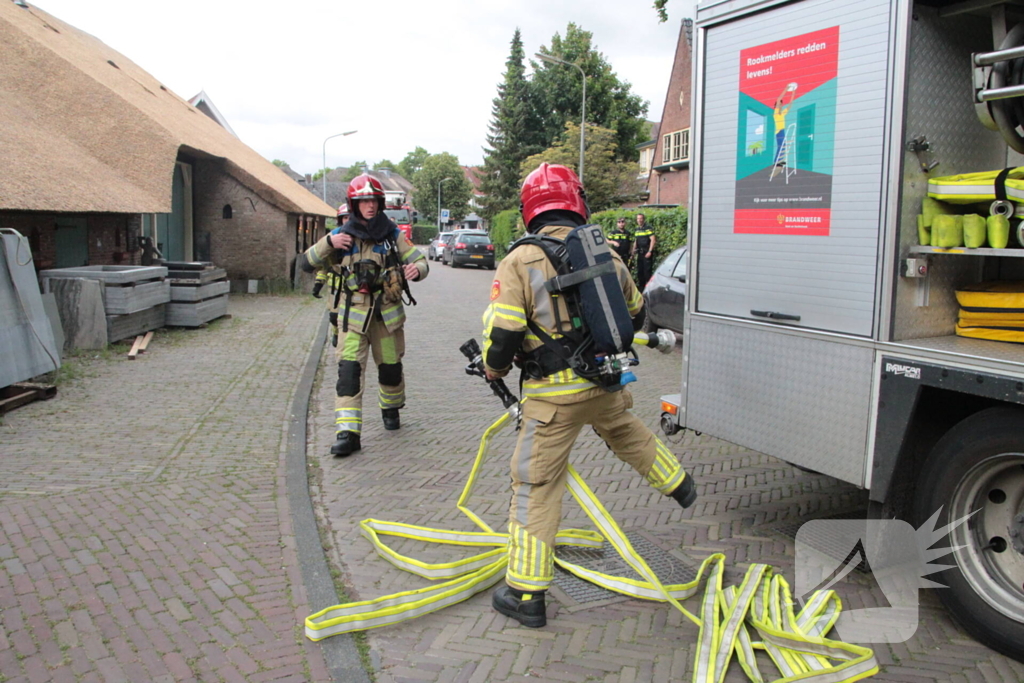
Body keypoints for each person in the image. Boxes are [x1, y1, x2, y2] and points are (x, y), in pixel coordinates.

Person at [481, 163, 698, 628]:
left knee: (535, 486)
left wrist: (494, 368)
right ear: (577, 202)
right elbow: (635, 316)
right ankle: (679, 483)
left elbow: (504, 332)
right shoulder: (608, 256)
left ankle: (526, 593)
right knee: (626, 432)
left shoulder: (519, 260)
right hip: (604, 384)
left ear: (529, 210)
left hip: (552, 401)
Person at [300, 174, 428, 456]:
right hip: (352, 318)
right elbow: (306, 263)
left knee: (390, 370)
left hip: (386, 318)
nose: (370, 206)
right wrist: (329, 242)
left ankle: (391, 409)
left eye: (373, 201)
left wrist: (417, 270)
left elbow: (420, 260)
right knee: (348, 374)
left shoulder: (392, 234)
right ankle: (347, 434)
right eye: (363, 201)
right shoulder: (341, 236)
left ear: (380, 203)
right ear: (353, 204)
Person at [311, 204, 349, 347]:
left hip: (353, 287)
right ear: (340, 220)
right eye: (345, 218)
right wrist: (318, 284)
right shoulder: (334, 240)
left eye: (350, 217)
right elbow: (325, 266)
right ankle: (336, 332)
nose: (348, 221)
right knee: (334, 317)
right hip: (335, 288)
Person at [631, 213, 656, 288]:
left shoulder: (648, 228)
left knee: (647, 273)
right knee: (640, 272)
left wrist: (650, 251)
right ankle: (641, 289)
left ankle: (648, 288)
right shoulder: (637, 229)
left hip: (646, 253)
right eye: (638, 218)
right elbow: (636, 241)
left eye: (641, 218)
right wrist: (633, 252)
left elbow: (653, 240)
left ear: (643, 219)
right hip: (640, 253)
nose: (639, 220)